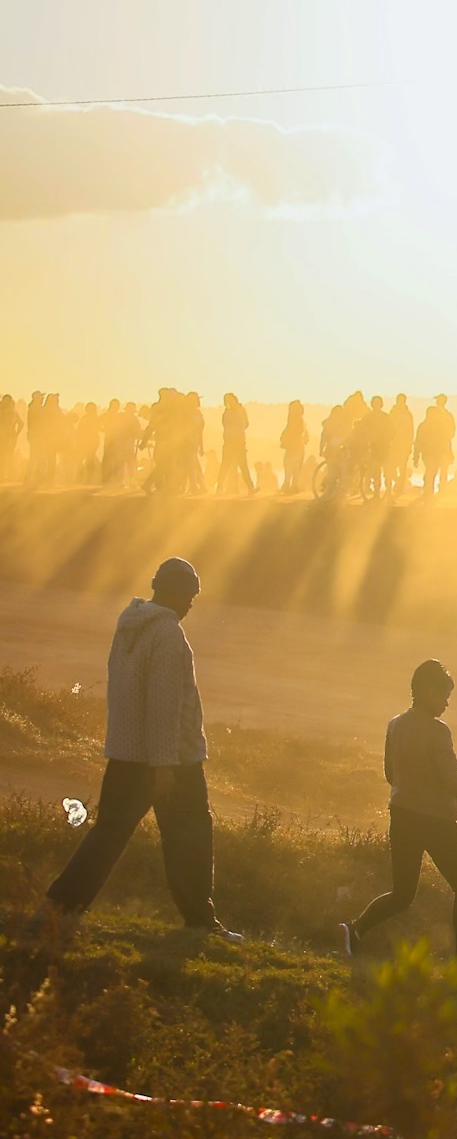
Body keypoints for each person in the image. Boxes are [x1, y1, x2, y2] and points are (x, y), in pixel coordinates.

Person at [40, 559, 237, 942]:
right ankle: (200, 921)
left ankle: (61, 905)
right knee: (191, 835)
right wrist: (164, 767)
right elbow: (163, 707)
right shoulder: (168, 636)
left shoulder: (130, 625)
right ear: (173, 592)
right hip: (171, 761)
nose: (192, 603)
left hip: (126, 752)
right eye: (190, 595)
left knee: (108, 832)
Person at [343, 660, 457, 957]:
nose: (446, 704)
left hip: (401, 814)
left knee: (402, 894)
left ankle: (355, 929)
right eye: (444, 696)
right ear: (429, 692)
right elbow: (453, 780)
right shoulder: (437, 731)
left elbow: (390, 774)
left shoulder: (395, 724)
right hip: (436, 820)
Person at [416, 395, 457, 498]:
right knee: (432, 470)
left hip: (439, 448)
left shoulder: (446, 417)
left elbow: (450, 433)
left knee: (437, 470)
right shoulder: (433, 420)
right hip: (436, 449)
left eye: (439, 400)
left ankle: (435, 491)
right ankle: (430, 491)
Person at [217, 394, 254, 496]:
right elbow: (245, 424)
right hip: (233, 441)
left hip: (236, 441)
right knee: (228, 466)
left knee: (238, 466)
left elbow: (244, 424)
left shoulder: (230, 412)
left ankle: (250, 488)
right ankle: (222, 488)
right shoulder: (231, 412)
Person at [279, 401, 308, 494]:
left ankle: (289, 485)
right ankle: (293, 486)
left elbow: (290, 431)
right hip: (298, 446)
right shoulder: (300, 420)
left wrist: (284, 438)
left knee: (289, 466)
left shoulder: (293, 419)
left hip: (293, 446)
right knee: (295, 467)